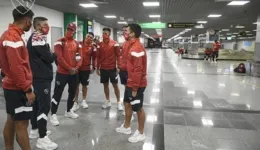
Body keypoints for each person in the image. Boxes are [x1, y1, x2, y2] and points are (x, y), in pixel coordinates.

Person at [0, 6, 35, 150]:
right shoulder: (13, 38)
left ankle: (9, 148)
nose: (31, 24)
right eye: (31, 21)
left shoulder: (7, 34)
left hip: (10, 85)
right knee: (22, 124)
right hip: (17, 88)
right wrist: (27, 89)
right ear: (27, 21)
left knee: (11, 119)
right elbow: (16, 68)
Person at [27, 17, 58, 149]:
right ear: (38, 26)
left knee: (37, 104)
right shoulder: (37, 38)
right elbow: (50, 57)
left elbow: (45, 55)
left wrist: (49, 53)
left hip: (38, 76)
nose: (47, 26)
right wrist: (54, 54)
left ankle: (35, 130)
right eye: (45, 24)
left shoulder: (36, 37)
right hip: (41, 77)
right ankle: (42, 137)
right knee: (44, 107)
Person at [115, 24, 147, 143]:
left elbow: (138, 70)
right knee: (127, 103)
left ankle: (141, 132)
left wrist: (134, 87)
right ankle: (127, 127)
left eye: (126, 31)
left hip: (137, 83)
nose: (124, 32)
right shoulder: (130, 44)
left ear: (132, 33)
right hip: (130, 81)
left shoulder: (137, 48)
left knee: (138, 108)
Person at [50, 23, 83, 126]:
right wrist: (70, 68)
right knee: (57, 93)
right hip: (62, 73)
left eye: (72, 30)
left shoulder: (77, 43)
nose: (70, 31)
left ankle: (68, 111)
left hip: (74, 73)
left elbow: (80, 57)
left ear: (74, 31)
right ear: (66, 29)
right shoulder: (59, 42)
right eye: (68, 29)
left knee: (72, 92)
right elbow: (59, 58)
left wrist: (76, 68)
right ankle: (53, 114)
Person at [96, 28, 123, 110]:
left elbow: (118, 55)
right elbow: (98, 57)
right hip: (103, 69)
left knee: (115, 85)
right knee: (105, 85)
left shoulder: (115, 44)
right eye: (103, 33)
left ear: (109, 34)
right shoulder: (99, 44)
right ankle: (108, 101)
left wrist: (119, 66)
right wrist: (97, 68)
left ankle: (119, 102)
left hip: (112, 68)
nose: (104, 35)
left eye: (106, 33)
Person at [72, 32, 96, 111]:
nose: (89, 38)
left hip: (86, 69)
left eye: (91, 37)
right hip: (77, 68)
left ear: (92, 39)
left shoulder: (92, 47)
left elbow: (94, 58)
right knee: (76, 85)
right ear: (85, 36)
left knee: (84, 85)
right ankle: (75, 102)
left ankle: (84, 101)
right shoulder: (78, 44)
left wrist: (94, 67)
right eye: (88, 36)